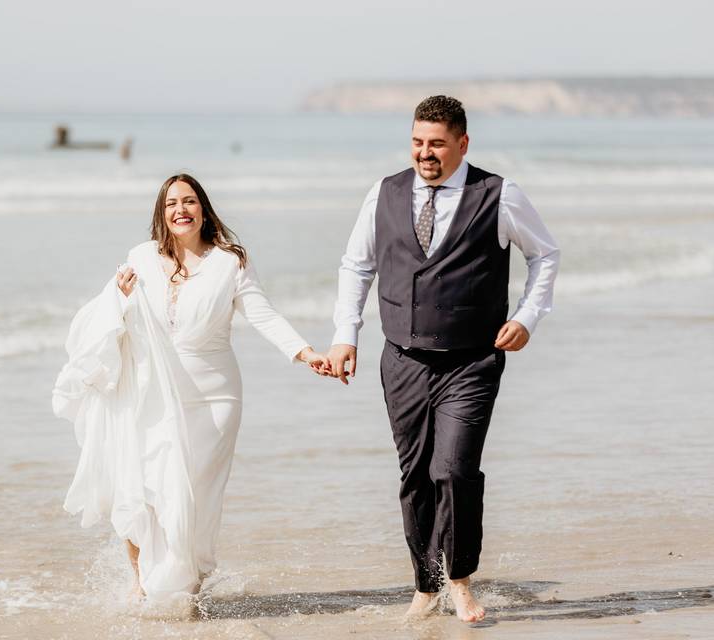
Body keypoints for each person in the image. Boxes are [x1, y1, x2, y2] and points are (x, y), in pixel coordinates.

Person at [326, 96, 560, 622]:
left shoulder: (498, 195)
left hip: (472, 361)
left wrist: (527, 317)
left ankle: (458, 579)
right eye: (416, 143)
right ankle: (424, 585)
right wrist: (347, 335)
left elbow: (545, 254)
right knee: (414, 475)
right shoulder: (384, 193)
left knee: (453, 470)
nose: (424, 153)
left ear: (462, 144)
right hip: (402, 359)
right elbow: (355, 266)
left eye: (435, 143)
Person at [53, 173, 329, 606]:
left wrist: (306, 352)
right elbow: (111, 315)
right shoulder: (141, 258)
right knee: (142, 489)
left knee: (193, 502)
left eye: (189, 201)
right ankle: (141, 582)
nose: (180, 210)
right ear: (161, 214)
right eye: (171, 204)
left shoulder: (230, 261)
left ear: (203, 208)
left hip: (215, 398)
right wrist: (121, 298)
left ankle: (186, 587)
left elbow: (263, 315)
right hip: (151, 395)